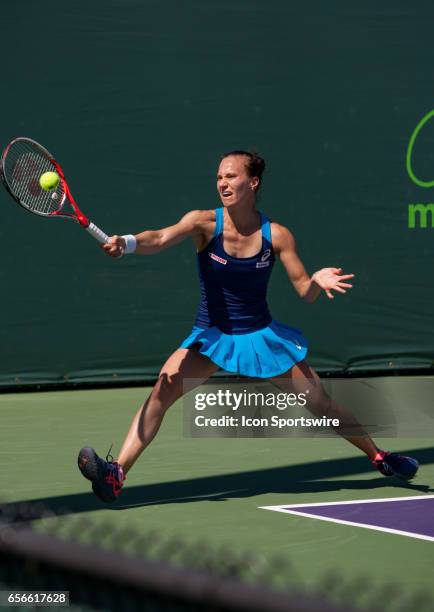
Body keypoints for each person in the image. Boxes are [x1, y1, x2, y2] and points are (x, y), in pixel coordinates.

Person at [78, 150, 419, 502]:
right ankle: (116, 473)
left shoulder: (278, 236)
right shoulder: (204, 223)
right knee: (161, 393)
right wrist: (128, 243)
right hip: (212, 336)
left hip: (260, 337)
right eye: (219, 177)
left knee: (321, 404)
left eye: (231, 176)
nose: (222, 183)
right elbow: (161, 238)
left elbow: (305, 291)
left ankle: (379, 457)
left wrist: (316, 279)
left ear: (252, 182)